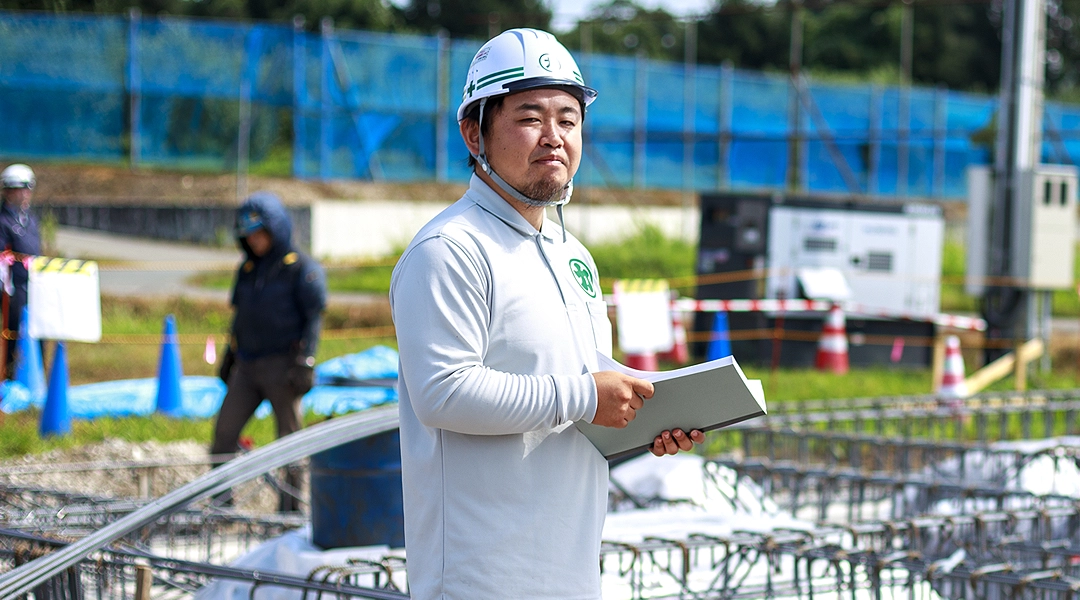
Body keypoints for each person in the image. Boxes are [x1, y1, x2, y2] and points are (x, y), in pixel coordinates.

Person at [389, 29, 705, 599]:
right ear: (473, 131)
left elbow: (579, 384)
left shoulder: (572, 255)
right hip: (479, 580)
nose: (554, 137)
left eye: (569, 118)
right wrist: (587, 395)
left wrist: (649, 418)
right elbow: (443, 392)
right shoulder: (449, 250)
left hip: (570, 572)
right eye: (529, 117)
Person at [211, 191, 327, 512]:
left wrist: (306, 360)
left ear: (275, 230)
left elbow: (313, 317)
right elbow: (239, 318)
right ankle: (222, 507)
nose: (255, 241)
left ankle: (289, 511)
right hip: (248, 367)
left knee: (289, 442)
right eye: (249, 236)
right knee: (224, 434)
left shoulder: (298, 268)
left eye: (260, 234)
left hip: (283, 367)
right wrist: (229, 357)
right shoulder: (248, 271)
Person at [0, 164, 42, 379]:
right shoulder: (3, 220)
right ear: (9, 191)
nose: (26, 194)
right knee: (14, 331)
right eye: (21, 189)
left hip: (35, 285)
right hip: (14, 288)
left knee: (40, 330)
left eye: (29, 188)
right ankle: (9, 375)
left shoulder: (29, 218)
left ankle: (37, 375)